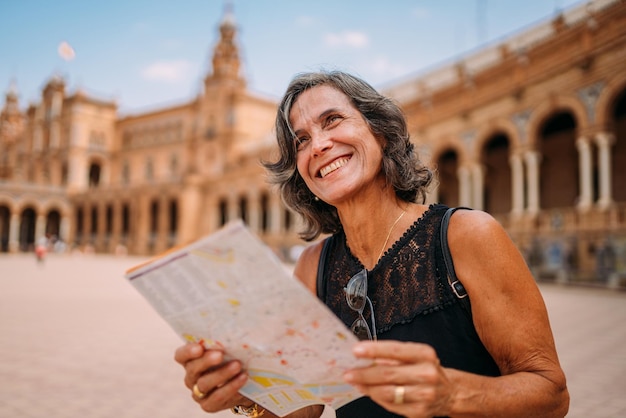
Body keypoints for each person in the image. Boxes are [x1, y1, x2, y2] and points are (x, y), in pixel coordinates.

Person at [175, 70, 569, 417]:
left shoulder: (466, 236)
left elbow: (550, 395)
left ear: (378, 130)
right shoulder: (314, 267)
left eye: (333, 120)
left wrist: (453, 395)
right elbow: (306, 406)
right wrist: (245, 394)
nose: (319, 145)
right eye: (301, 140)